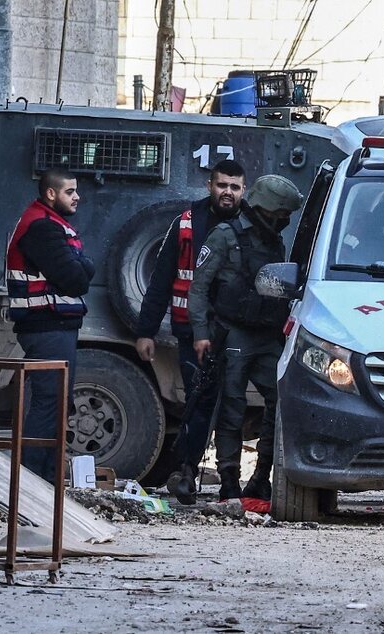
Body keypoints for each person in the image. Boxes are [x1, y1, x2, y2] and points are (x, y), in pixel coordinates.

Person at [135, 159, 249, 504]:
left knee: (232, 404)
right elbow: (160, 281)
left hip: (240, 333)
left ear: (244, 190)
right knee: (198, 400)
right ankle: (186, 470)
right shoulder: (185, 223)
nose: (227, 192)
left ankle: (233, 479)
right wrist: (146, 331)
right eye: (221, 185)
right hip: (192, 330)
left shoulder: (251, 225)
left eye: (234, 187)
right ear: (209, 185)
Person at [187, 174, 304, 505]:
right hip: (235, 331)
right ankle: (228, 481)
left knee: (279, 402)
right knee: (232, 408)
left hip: (267, 334)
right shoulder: (226, 235)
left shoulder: (272, 240)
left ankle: (260, 477)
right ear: (269, 210)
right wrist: (200, 334)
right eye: (281, 215)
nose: (284, 222)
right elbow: (199, 288)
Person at [6, 168, 95, 482]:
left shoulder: (52, 224)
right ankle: (31, 480)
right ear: (51, 194)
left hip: (53, 325)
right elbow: (75, 278)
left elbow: (81, 271)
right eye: (70, 191)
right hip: (45, 326)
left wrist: (82, 266)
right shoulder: (42, 227)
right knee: (50, 404)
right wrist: (83, 266)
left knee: (57, 404)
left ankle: (44, 481)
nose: (76, 197)